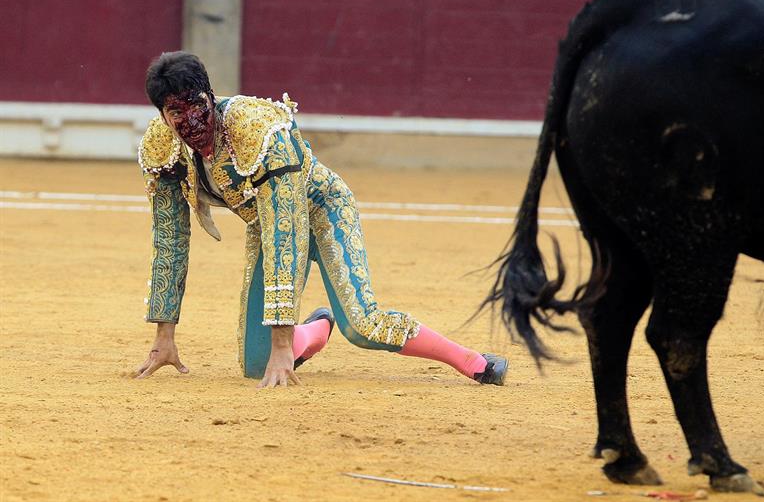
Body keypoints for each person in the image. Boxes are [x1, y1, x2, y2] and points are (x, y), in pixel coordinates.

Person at [135, 51, 509, 388]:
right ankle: (316, 330)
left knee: (362, 325)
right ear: (162, 116)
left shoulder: (257, 128)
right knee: (256, 364)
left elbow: (286, 233)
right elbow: (170, 240)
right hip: (267, 222)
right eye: (176, 111)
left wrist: (283, 345)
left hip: (322, 209)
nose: (191, 119)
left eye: (196, 104)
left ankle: (472, 361)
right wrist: (164, 337)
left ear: (211, 96)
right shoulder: (161, 147)